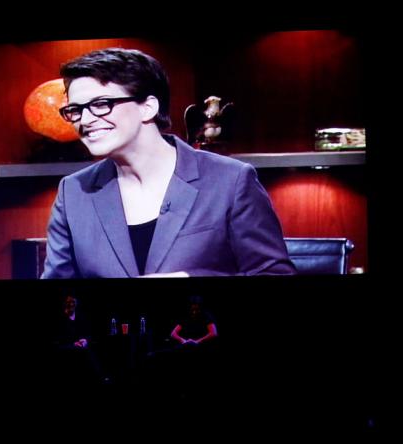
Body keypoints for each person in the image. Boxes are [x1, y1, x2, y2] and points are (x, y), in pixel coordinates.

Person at [42, 47, 296, 278]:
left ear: (148, 107)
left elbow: (274, 275)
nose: (84, 120)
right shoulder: (74, 192)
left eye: (101, 104)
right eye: (75, 110)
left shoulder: (230, 180)